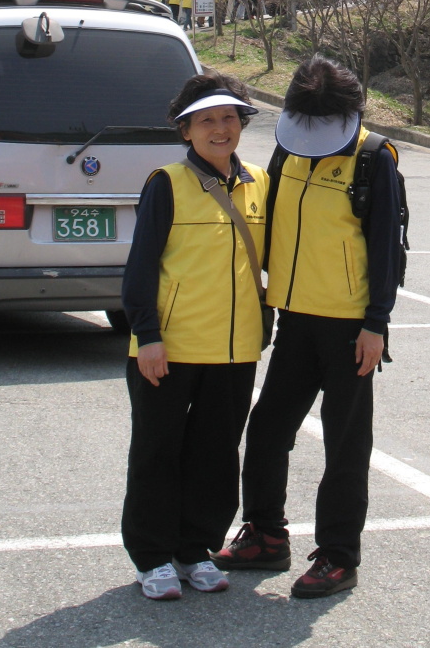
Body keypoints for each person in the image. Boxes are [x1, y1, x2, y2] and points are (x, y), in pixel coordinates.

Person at [214, 56, 402, 599]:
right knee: (269, 427)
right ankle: (267, 534)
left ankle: (339, 555)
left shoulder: (374, 159)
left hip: (350, 328)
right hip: (294, 318)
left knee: (345, 445)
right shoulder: (288, 148)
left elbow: (387, 249)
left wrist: (376, 324)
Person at [121, 70, 268, 601]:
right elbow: (140, 269)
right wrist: (148, 336)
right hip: (169, 346)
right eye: (207, 120)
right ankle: (153, 556)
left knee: (215, 452)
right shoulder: (167, 183)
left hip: (234, 350)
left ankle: (194, 549)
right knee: (157, 451)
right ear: (186, 131)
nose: (220, 128)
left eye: (229, 117)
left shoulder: (258, 182)